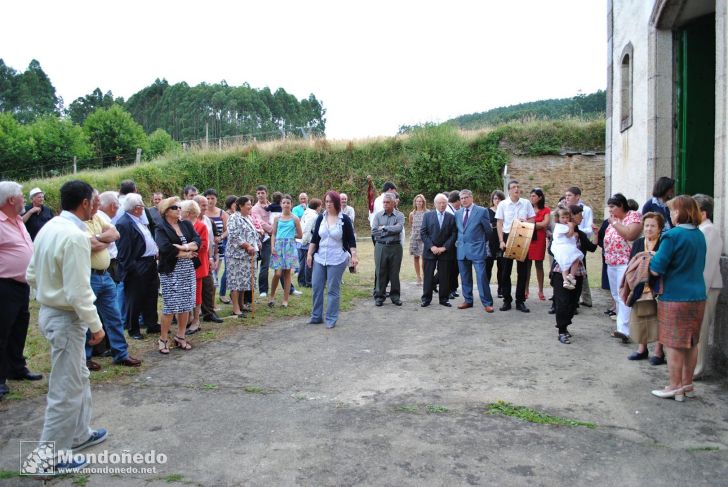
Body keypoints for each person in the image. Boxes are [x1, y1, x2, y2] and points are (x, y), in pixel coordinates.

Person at [26, 180, 107, 471]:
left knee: (78, 377)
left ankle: (79, 434)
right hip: (65, 317)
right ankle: (49, 459)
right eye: (93, 202)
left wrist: (47, 293)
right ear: (84, 202)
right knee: (65, 389)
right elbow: (78, 290)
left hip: (54, 311)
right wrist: (96, 326)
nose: (95, 208)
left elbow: (31, 273)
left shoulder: (50, 227)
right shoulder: (74, 235)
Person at [649, 195, 706, 401]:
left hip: (675, 296)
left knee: (673, 343)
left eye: (673, 211)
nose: (671, 214)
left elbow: (656, 269)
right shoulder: (699, 235)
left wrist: (651, 259)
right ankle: (686, 384)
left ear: (682, 212)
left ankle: (674, 386)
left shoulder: (672, 236)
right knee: (691, 342)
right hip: (698, 295)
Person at [84, 190, 141, 370]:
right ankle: (85, 357)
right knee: (86, 319)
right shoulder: (78, 222)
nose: (97, 204)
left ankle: (120, 353)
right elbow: (90, 245)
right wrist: (103, 240)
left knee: (114, 315)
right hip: (88, 275)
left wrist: (99, 239)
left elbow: (115, 234)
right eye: (95, 201)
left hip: (104, 275)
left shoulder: (97, 218)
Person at [0, 181, 41, 402]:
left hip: (21, 284)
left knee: (19, 328)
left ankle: (17, 367)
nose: (24, 198)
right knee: (2, 331)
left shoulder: (17, 220)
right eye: (21, 195)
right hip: (4, 285)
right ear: (10, 200)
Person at [155, 197, 200, 353]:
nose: (179, 210)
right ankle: (163, 339)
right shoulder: (161, 227)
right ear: (166, 211)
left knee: (186, 303)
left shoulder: (186, 224)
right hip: (171, 271)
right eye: (175, 207)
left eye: (180, 207)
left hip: (187, 269)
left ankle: (180, 336)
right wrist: (186, 253)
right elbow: (165, 248)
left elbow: (197, 241)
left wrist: (183, 247)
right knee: (170, 305)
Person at [307, 191, 358, 327]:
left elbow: (351, 240)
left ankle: (331, 319)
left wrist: (354, 255)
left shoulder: (344, 219)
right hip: (320, 257)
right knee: (317, 287)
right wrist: (309, 254)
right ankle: (316, 316)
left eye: (331, 201)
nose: (328, 204)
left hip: (337, 258)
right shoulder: (320, 218)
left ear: (336, 203)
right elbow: (315, 239)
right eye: (326, 201)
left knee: (332, 290)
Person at [115, 193, 160, 340]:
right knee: (135, 298)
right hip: (138, 265)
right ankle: (133, 329)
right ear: (136, 208)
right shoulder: (124, 223)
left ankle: (151, 323)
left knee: (151, 294)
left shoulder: (139, 220)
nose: (143, 208)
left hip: (150, 262)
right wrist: (132, 268)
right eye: (141, 206)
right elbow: (124, 251)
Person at [622, 212, 665, 363]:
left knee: (659, 318)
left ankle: (659, 352)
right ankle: (642, 349)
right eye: (646, 225)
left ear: (660, 228)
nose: (648, 229)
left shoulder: (664, 242)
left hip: (658, 286)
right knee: (641, 317)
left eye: (653, 225)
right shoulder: (639, 243)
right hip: (640, 286)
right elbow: (631, 264)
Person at [549, 205, 595, 343]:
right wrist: (565, 253)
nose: (582, 217)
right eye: (580, 215)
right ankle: (561, 330)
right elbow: (551, 249)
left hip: (577, 272)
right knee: (562, 300)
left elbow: (592, 248)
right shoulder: (560, 229)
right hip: (561, 268)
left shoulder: (579, 233)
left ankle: (566, 325)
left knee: (573, 301)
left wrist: (596, 234)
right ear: (572, 216)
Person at [604, 193, 642, 343]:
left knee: (623, 294)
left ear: (621, 205)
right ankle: (622, 326)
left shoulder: (633, 216)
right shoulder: (614, 220)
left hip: (625, 261)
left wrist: (614, 223)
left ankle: (623, 330)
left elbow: (630, 234)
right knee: (615, 294)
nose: (610, 210)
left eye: (612, 207)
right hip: (611, 261)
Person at [693, 194, 723, 379]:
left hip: (707, 287)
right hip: (700, 287)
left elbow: (708, 265)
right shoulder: (701, 230)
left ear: (703, 213)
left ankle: (698, 368)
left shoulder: (709, 231)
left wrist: (700, 292)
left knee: (702, 329)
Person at [496, 180, 536, 312]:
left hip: (523, 235)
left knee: (522, 272)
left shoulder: (526, 203)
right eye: (513, 187)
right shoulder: (503, 204)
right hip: (508, 236)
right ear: (509, 190)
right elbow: (500, 223)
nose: (516, 189)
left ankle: (520, 301)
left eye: (518, 187)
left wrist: (527, 221)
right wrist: (501, 241)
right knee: (505, 271)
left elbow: (532, 219)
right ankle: (507, 300)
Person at [455, 189, 495, 313]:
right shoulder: (458, 213)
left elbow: (488, 231)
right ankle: (468, 300)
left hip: (478, 250)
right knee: (465, 277)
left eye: (466, 197)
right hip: (462, 250)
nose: (464, 200)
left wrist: (481, 243)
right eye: (461, 198)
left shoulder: (482, 211)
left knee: (481, 277)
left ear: (471, 198)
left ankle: (487, 303)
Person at [420, 193, 457, 307]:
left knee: (444, 276)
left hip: (445, 252)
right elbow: (423, 232)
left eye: (444, 203)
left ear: (447, 204)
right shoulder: (427, 216)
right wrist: (432, 247)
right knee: (428, 275)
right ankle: (426, 298)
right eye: (439, 203)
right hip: (430, 251)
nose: (442, 205)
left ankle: (444, 299)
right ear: (435, 204)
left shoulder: (451, 217)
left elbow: (454, 234)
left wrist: (444, 247)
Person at [226, 196, 259, 316]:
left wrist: (257, 243)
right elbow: (234, 235)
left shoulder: (248, 217)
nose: (250, 207)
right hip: (237, 255)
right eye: (248, 204)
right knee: (236, 282)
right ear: (241, 206)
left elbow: (252, 233)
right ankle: (235, 308)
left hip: (248, 256)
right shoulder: (234, 217)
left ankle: (241, 304)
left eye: (251, 204)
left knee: (244, 281)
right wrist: (247, 246)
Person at [268, 194, 302, 308]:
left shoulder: (295, 218)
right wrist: (272, 246)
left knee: (287, 274)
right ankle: (271, 297)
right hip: (278, 246)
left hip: (289, 247)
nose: (286, 205)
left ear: (291, 204)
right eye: (284, 202)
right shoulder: (277, 218)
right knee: (277, 273)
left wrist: (291, 237)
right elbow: (273, 233)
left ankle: (285, 300)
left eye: (288, 202)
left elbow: (300, 235)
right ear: (281, 204)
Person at [564, 186, 595, 307]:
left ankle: (586, 298)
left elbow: (589, 227)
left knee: (581, 270)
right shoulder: (564, 209)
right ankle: (571, 300)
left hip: (580, 242)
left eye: (569, 195)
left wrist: (577, 231)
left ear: (577, 197)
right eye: (566, 196)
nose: (567, 198)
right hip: (567, 242)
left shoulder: (585, 210)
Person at [371, 192, 404, 306]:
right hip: (381, 246)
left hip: (395, 247)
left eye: (387, 202)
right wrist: (390, 230)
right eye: (384, 202)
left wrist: (384, 228)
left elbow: (399, 228)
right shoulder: (378, 215)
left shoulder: (399, 215)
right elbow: (375, 231)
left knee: (394, 273)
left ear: (394, 203)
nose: (385, 204)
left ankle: (395, 296)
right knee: (380, 271)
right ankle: (379, 296)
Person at [194, 195, 223, 324]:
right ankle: (193, 316)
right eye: (203, 205)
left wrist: (213, 257)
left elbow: (213, 241)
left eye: (206, 205)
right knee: (195, 288)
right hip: (195, 257)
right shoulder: (189, 222)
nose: (206, 207)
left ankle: (209, 313)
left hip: (207, 257)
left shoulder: (208, 220)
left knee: (209, 286)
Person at [184, 198, 208, 334]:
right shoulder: (182, 225)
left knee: (197, 293)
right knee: (188, 291)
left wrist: (188, 250)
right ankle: (188, 317)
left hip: (197, 263)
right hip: (185, 262)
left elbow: (204, 245)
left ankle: (196, 320)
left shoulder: (201, 226)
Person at [550, 208, 584, 290]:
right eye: (563, 217)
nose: (565, 219)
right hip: (563, 247)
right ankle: (567, 279)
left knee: (571, 261)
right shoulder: (560, 227)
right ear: (558, 218)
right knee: (568, 262)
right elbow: (569, 235)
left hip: (566, 247)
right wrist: (571, 227)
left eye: (567, 217)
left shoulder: (564, 226)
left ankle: (569, 277)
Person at [527, 188, 551, 300]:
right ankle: (525, 289)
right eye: (531, 196)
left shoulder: (546, 210)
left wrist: (531, 224)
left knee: (539, 265)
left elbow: (545, 223)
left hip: (539, 239)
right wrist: (537, 225)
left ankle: (541, 290)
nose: (532, 198)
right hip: (527, 238)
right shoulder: (527, 208)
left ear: (540, 197)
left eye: (534, 196)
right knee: (526, 266)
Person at [251, 185, 274, 297]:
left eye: (262, 193)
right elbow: (260, 223)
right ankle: (263, 290)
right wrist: (273, 229)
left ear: (266, 193)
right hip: (263, 239)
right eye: (258, 193)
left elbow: (277, 218)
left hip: (275, 237)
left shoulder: (272, 206)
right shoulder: (255, 208)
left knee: (281, 263)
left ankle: (290, 288)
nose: (260, 195)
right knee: (265, 264)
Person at [486, 190, 505, 299]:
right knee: (488, 267)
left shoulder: (505, 210)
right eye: (495, 198)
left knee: (501, 267)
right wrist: (495, 225)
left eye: (499, 198)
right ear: (492, 200)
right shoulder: (487, 211)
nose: (497, 201)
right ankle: (486, 289)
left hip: (502, 241)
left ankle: (501, 289)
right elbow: (486, 225)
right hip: (490, 242)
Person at [298, 198, 322, 288]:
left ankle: (302, 281)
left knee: (302, 262)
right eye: (320, 206)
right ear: (318, 206)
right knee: (308, 263)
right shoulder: (313, 216)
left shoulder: (306, 212)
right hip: (307, 241)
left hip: (301, 241)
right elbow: (307, 229)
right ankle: (308, 282)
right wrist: (304, 241)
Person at [219, 195, 237, 304]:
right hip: (228, 243)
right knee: (228, 269)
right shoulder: (227, 214)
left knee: (234, 270)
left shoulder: (237, 214)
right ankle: (222, 294)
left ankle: (233, 293)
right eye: (235, 203)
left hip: (237, 245)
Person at [409, 194, 427, 285]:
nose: (418, 203)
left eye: (420, 201)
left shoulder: (427, 213)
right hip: (414, 238)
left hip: (424, 238)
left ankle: (424, 276)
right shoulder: (412, 214)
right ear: (415, 202)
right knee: (416, 257)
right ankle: (418, 276)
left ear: (423, 202)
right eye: (417, 201)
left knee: (424, 257)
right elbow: (411, 225)